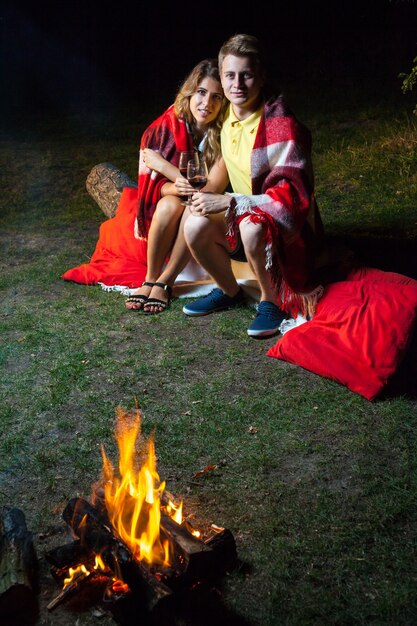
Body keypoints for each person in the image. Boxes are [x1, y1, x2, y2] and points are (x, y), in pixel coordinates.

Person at [182, 34, 325, 337]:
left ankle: (271, 303)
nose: (238, 84)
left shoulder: (280, 123)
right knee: (194, 224)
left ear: (261, 77)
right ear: (220, 78)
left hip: (287, 227)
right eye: (230, 75)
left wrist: (231, 202)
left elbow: (293, 197)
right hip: (248, 213)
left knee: (251, 227)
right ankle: (228, 290)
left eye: (246, 75)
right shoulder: (225, 117)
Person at [125, 58, 226, 314]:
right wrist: (172, 184)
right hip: (171, 202)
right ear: (190, 91)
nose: (207, 104)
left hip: (209, 203)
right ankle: (150, 277)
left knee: (195, 207)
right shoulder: (165, 128)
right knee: (170, 205)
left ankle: (166, 281)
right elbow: (152, 187)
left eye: (217, 97)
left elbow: (208, 189)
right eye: (201, 93)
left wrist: (164, 166)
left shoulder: (225, 131)